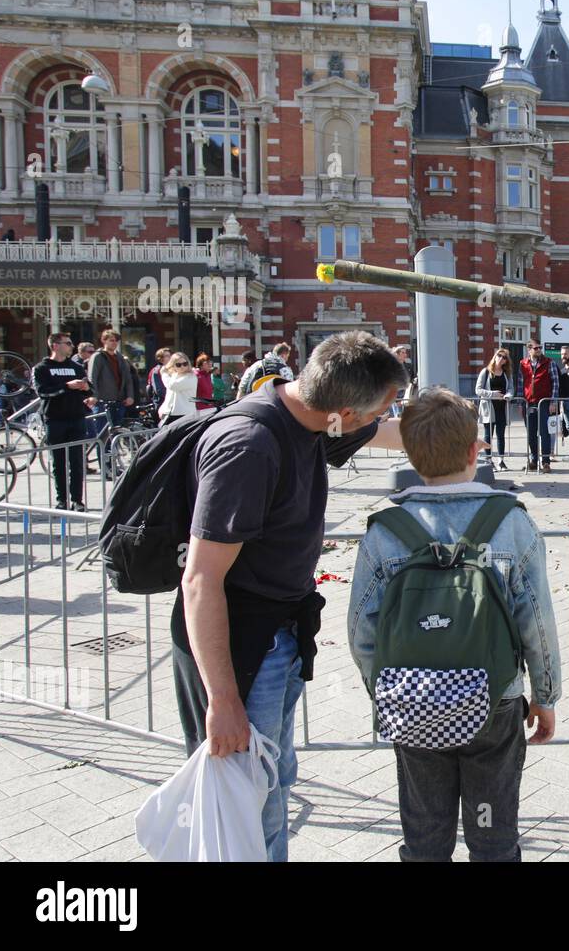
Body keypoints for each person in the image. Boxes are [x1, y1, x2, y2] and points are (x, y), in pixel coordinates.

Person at [173, 330, 408, 862]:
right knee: (245, 803)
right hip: (241, 650)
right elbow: (201, 579)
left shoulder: (307, 411)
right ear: (345, 410)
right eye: (381, 407)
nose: (384, 416)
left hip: (279, 634)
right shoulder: (249, 446)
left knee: (272, 784)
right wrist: (223, 701)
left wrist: (455, 430)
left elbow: (384, 433)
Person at [347, 388, 560, 862]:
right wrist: (544, 696)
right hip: (494, 701)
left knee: (425, 833)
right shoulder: (511, 523)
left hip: (414, 702)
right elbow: (536, 622)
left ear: (409, 452)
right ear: (474, 451)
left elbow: (362, 631)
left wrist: (386, 691)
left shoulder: (385, 529)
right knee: (492, 833)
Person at [32, 333, 96, 511]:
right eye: (68, 343)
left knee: (77, 461)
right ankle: (62, 500)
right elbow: (43, 392)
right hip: (55, 419)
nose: (71, 346)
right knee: (58, 461)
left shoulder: (75, 367)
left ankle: (77, 500)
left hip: (76, 417)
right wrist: (67, 386)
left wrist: (88, 391)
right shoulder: (41, 368)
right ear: (55, 346)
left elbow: (89, 389)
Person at [519, 340, 558, 473]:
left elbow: (555, 383)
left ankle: (546, 462)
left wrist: (553, 401)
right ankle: (534, 460)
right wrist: (520, 402)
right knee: (531, 434)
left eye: (540, 348)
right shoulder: (523, 364)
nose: (539, 350)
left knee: (544, 432)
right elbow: (520, 384)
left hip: (544, 402)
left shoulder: (549, 362)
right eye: (536, 348)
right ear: (529, 349)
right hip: (528, 403)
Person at [87, 329, 136, 435]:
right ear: (104, 341)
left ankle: (114, 452)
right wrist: (93, 395)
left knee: (116, 433)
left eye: (116, 341)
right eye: (111, 340)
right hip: (102, 402)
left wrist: (130, 396)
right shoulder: (98, 356)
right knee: (103, 435)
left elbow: (128, 379)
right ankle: (103, 452)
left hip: (119, 402)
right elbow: (92, 378)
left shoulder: (120, 358)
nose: (115, 343)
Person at [475, 348, 512, 470]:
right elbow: (478, 390)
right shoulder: (485, 372)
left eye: (504, 357)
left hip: (502, 408)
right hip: (488, 408)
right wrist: (492, 394)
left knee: (501, 435)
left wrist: (508, 395)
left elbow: (511, 388)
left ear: (506, 361)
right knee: (488, 435)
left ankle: (501, 461)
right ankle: (488, 460)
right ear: (495, 356)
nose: (501, 358)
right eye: (499, 355)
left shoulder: (506, 373)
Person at [158, 353, 199, 424]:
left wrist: (164, 374)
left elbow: (172, 386)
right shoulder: (174, 376)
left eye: (185, 364)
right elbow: (170, 396)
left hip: (186, 414)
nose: (182, 366)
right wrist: (163, 408)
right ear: (173, 366)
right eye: (178, 365)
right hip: (172, 414)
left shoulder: (191, 377)